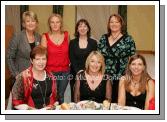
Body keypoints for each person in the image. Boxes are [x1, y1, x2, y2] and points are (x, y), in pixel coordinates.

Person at [97, 14, 136, 103]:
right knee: (104, 100)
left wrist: (130, 73)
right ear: (108, 24)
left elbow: (133, 58)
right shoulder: (103, 38)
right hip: (104, 75)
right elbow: (98, 56)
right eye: (111, 22)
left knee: (117, 100)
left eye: (117, 22)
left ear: (121, 24)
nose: (114, 24)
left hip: (121, 75)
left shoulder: (128, 39)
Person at [12, 45, 57, 110]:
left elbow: (55, 99)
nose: (41, 62)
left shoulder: (51, 76)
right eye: (37, 59)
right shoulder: (23, 77)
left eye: (43, 59)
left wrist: (52, 107)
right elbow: (16, 103)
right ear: (31, 60)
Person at [41, 13, 70, 104]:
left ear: (61, 24)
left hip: (65, 71)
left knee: (60, 95)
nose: (55, 24)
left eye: (57, 22)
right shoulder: (45, 36)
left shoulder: (66, 35)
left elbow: (69, 52)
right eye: (52, 22)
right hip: (50, 71)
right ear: (49, 24)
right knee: (52, 95)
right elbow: (42, 56)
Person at [7, 11, 41, 84]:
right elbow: (9, 57)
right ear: (23, 24)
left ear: (36, 23)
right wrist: (16, 74)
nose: (31, 23)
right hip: (20, 75)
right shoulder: (17, 36)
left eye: (33, 21)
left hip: (34, 75)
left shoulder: (39, 37)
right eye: (28, 21)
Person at [69, 19, 97, 102]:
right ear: (77, 29)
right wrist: (78, 71)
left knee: (88, 95)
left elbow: (94, 58)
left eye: (85, 26)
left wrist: (86, 71)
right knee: (76, 97)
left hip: (90, 72)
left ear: (88, 29)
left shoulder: (93, 43)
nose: (82, 28)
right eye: (80, 26)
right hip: (74, 73)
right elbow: (71, 58)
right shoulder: (72, 42)